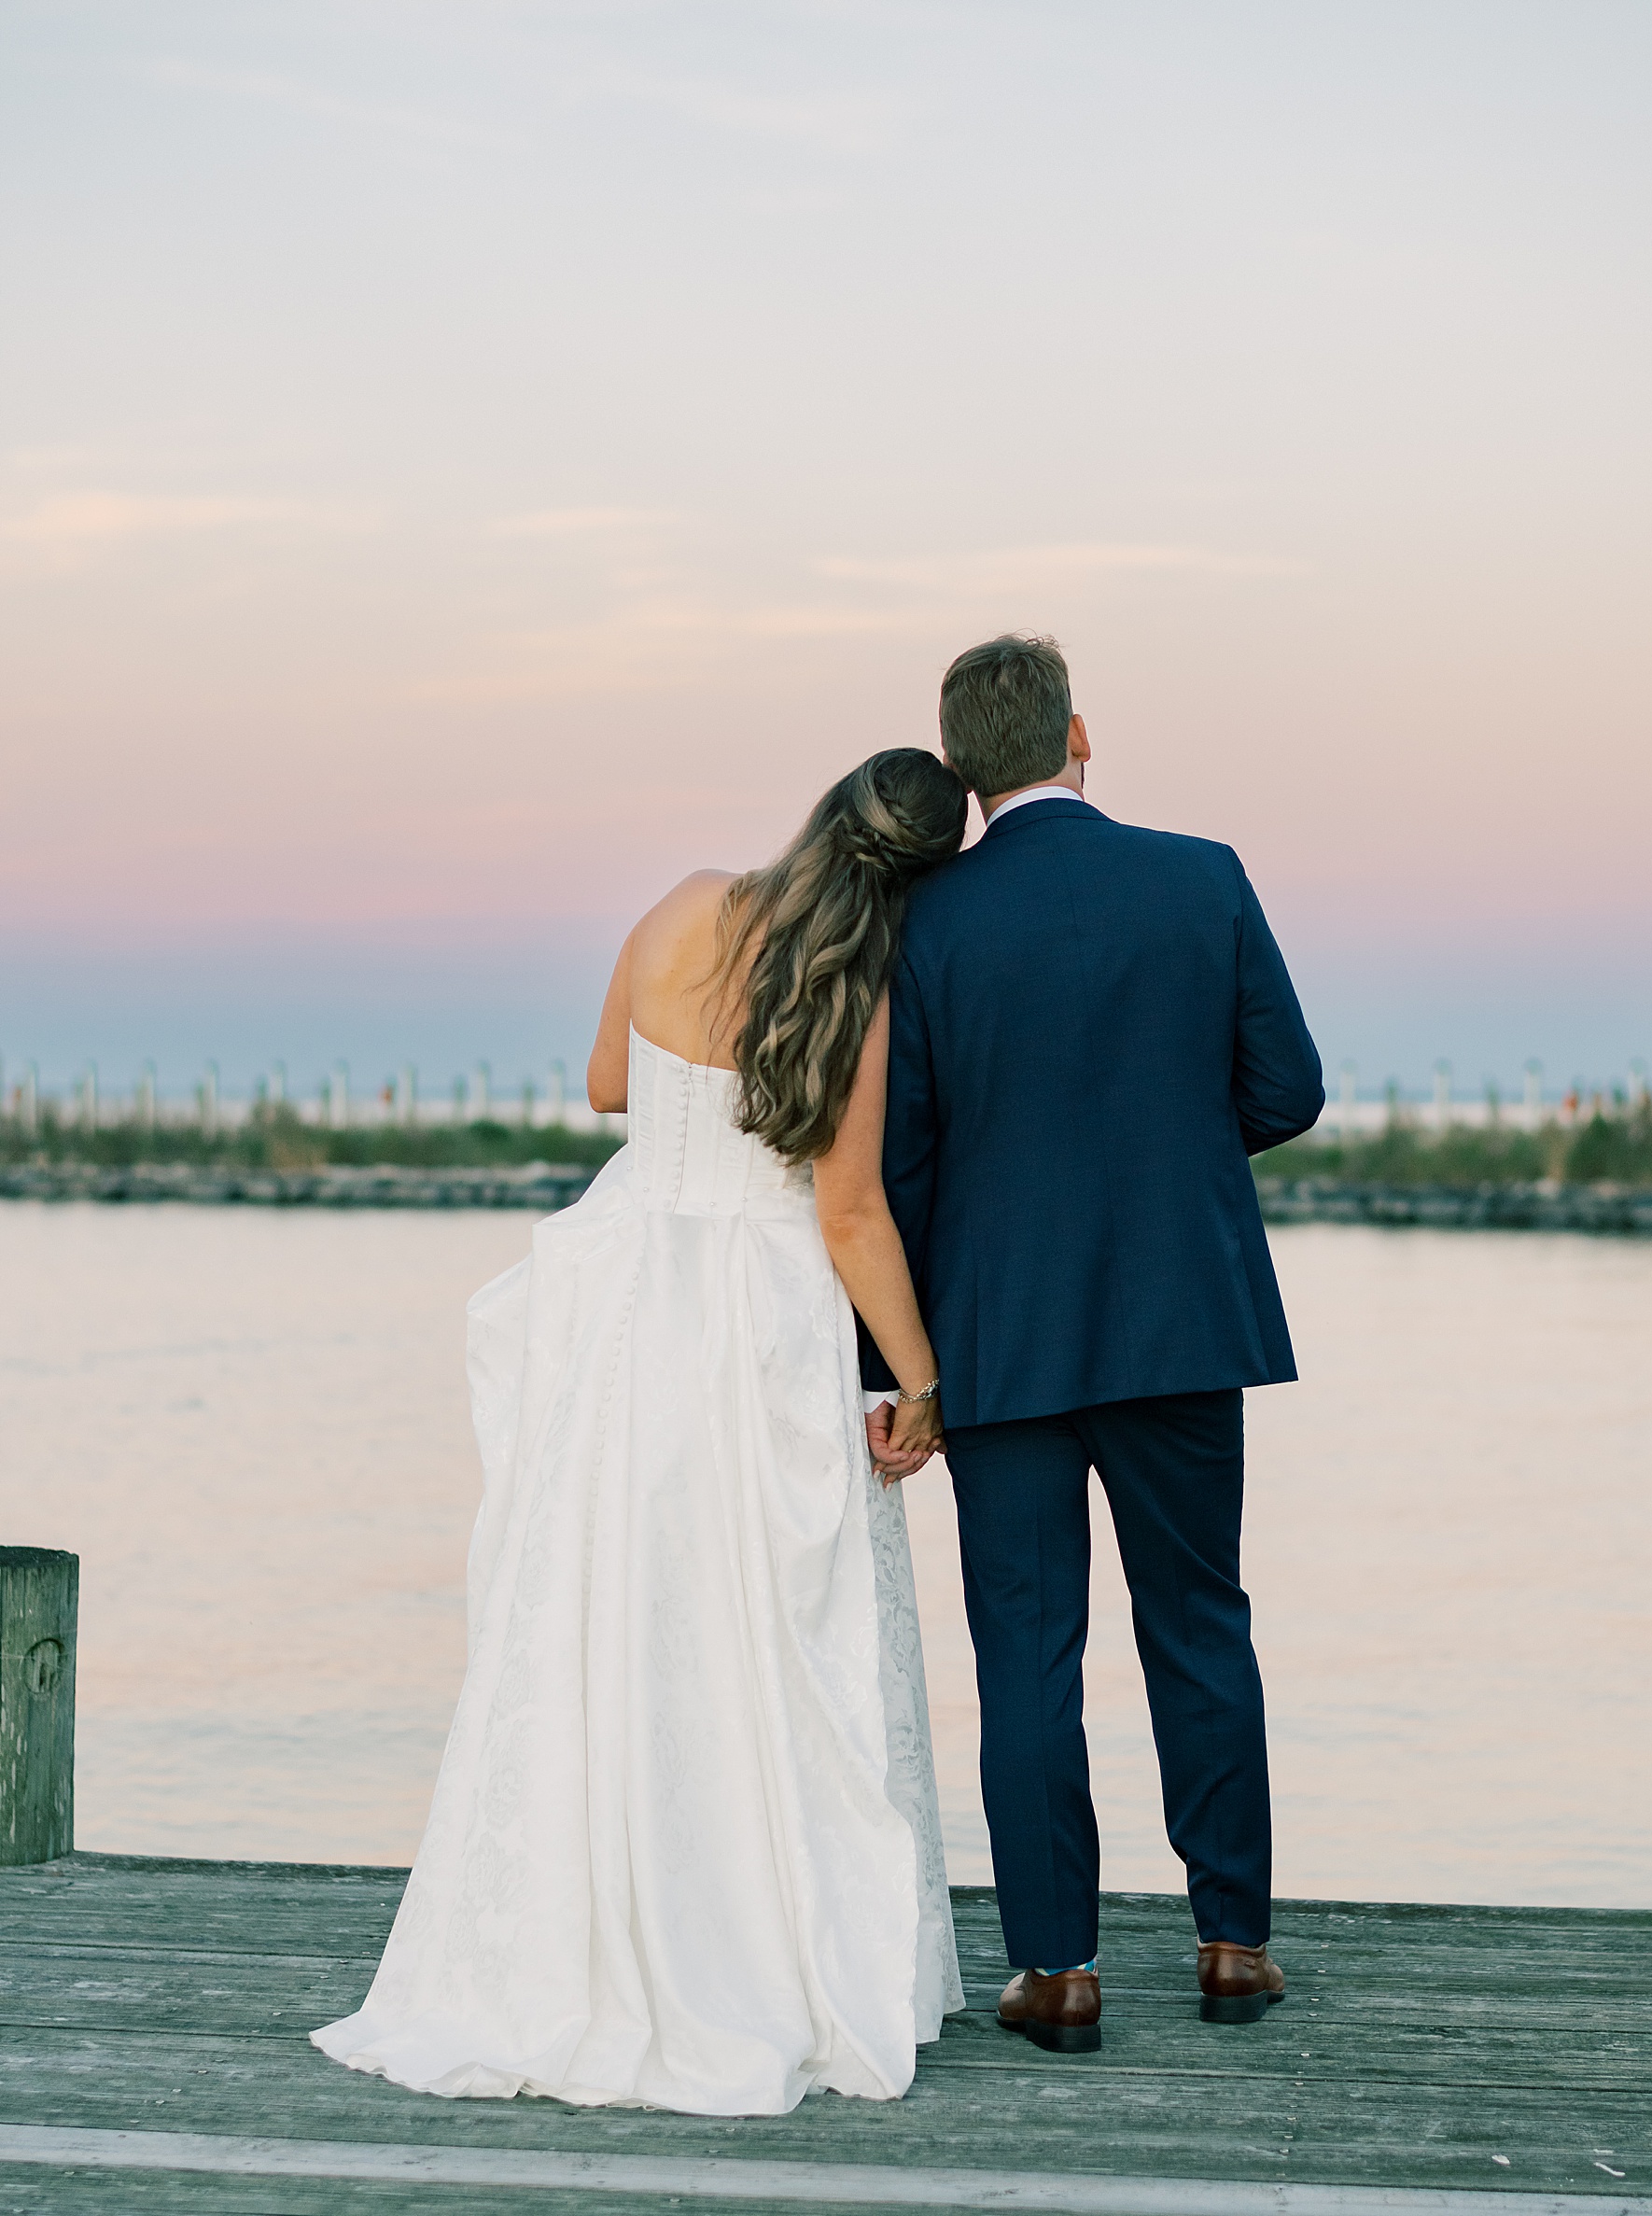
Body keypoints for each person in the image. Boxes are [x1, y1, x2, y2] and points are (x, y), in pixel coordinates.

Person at [314, 749, 968, 2116]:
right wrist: (918, 1378)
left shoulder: (679, 905)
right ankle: (757, 1933)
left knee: (603, 1610)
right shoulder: (859, 991)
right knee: (764, 1634)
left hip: (626, 1296)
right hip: (761, 1310)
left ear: (824, 805)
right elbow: (849, 1215)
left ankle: (575, 1927)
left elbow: (608, 1080)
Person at [862, 636, 1323, 2052]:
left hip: (995, 1340)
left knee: (1026, 1654)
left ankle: (1057, 1970)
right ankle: (1233, 1942)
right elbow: (1288, 1090)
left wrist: (892, 1369)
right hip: (1181, 1318)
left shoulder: (922, 920)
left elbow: (903, 1160)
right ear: (1079, 733)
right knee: (1200, 1624)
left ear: (959, 768)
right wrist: (1169, 1152)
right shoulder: (1204, 875)